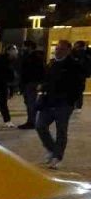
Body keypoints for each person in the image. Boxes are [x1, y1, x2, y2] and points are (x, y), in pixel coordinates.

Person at [36, 40, 86, 170]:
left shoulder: (74, 65)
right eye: (57, 49)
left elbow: (79, 85)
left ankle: (57, 157)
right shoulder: (51, 63)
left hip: (64, 104)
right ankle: (53, 150)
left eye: (62, 49)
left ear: (68, 50)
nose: (58, 51)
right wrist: (42, 87)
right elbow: (46, 79)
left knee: (61, 130)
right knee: (40, 125)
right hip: (48, 102)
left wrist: (72, 100)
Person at [18, 40, 46, 129]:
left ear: (29, 47)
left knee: (31, 103)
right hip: (28, 83)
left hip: (32, 83)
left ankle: (31, 122)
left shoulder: (35, 57)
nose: (23, 48)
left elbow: (37, 71)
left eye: (24, 46)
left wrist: (39, 83)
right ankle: (31, 121)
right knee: (29, 102)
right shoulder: (31, 56)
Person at [73, 41, 90, 110]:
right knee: (79, 91)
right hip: (81, 75)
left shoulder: (77, 53)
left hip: (78, 75)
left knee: (77, 90)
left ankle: (76, 105)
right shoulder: (86, 53)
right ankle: (78, 105)